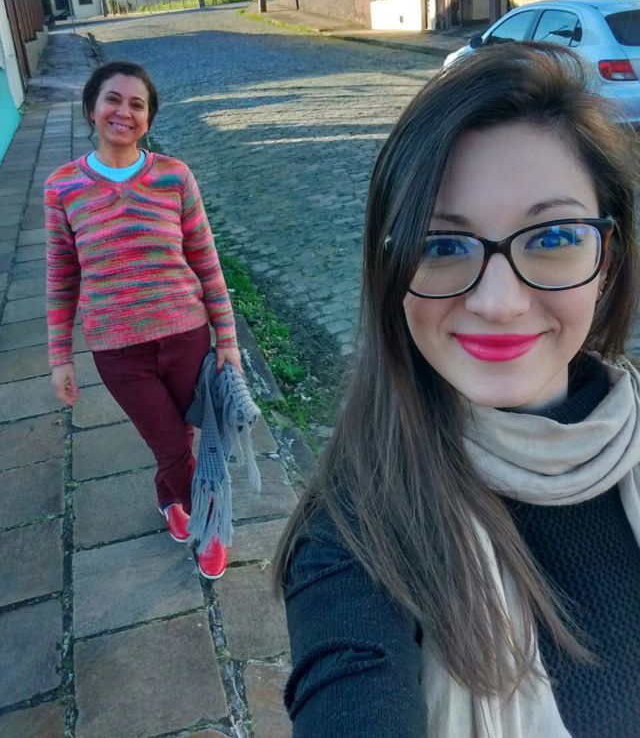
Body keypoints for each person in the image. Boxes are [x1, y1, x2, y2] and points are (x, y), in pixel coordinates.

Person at [273, 43, 640, 737]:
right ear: (391, 270)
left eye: (553, 237)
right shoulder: (356, 537)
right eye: (442, 246)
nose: (498, 303)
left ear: (608, 261)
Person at [45, 60, 241, 580]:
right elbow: (62, 277)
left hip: (186, 336)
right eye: (113, 99)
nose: (124, 112)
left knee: (181, 437)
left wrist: (227, 338)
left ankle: (169, 499)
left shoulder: (174, 176)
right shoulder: (63, 187)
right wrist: (60, 357)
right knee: (171, 444)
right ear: (91, 108)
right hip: (117, 349)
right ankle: (209, 524)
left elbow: (206, 260)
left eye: (137, 104)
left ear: (148, 118)